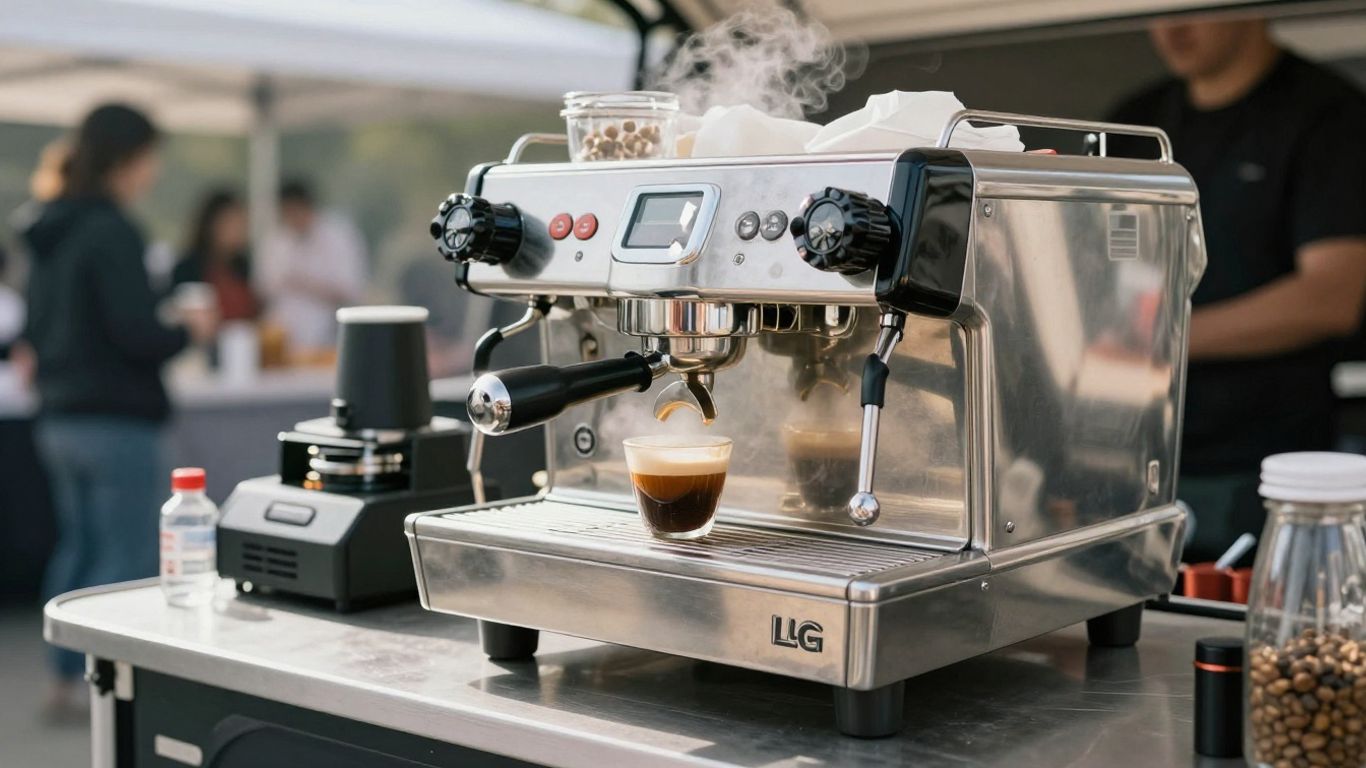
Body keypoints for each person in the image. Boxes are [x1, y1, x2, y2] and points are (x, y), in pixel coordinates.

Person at [1108, 16, 1366, 560]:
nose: (1173, 27)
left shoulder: (1328, 114)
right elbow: (1100, 272)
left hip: (1266, 467)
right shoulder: (1135, 125)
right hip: (1132, 458)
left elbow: (1331, 298)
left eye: (1195, 6)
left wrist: (1162, 340)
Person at [20, 103, 217, 719]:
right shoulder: (111, 230)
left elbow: (41, 327)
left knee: (77, 548)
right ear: (127, 159)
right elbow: (135, 333)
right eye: (150, 159)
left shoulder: (45, 226)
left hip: (58, 417)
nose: (153, 173)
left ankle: (64, 678)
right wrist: (190, 332)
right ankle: (103, 686)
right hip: (113, 419)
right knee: (123, 557)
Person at [255, 180, 367, 352]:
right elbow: (264, 288)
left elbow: (351, 289)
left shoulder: (338, 236)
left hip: (329, 336)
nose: (292, 219)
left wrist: (304, 283)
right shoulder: (276, 241)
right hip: (283, 339)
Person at [172, 189, 259, 321]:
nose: (237, 231)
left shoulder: (242, 265)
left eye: (241, 224)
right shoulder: (188, 268)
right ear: (211, 225)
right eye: (230, 223)